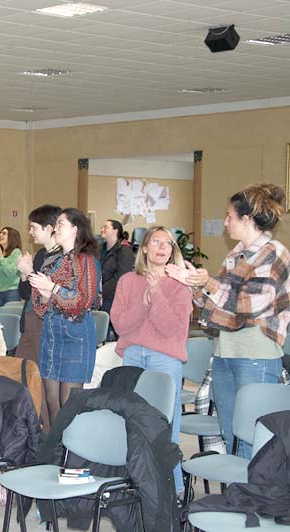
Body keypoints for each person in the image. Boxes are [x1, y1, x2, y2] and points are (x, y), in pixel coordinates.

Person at [167, 183, 290, 458]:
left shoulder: (274, 253)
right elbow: (218, 303)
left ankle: (253, 487)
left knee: (255, 438)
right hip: (225, 353)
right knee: (230, 432)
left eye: (229, 217)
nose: (225, 223)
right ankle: (236, 486)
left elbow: (250, 305)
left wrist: (208, 283)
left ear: (246, 220)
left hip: (256, 355)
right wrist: (194, 285)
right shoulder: (236, 254)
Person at [111, 226, 192, 496]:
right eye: (156, 241)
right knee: (132, 421)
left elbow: (171, 330)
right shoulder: (128, 281)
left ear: (172, 251)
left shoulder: (179, 284)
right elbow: (120, 325)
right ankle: (135, 485)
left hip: (165, 358)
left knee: (166, 425)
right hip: (133, 355)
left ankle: (173, 490)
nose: (162, 247)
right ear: (144, 247)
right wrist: (144, 303)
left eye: (167, 243)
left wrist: (156, 294)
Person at [29, 208, 100, 424]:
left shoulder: (85, 260)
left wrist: (52, 289)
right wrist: (45, 295)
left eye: (61, 224)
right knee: (52, 402)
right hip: (51, 332)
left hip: (74, 335)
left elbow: (83, 301)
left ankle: (70, 446)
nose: (56, 228)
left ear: (75, 229)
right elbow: (40, 307)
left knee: (69, 405)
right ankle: (55, 444)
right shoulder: (53, 261)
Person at [15, 205, 62, 363]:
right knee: (23, 368)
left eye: (34, 227)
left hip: (45, 322)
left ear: (48, 228)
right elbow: (25, 293)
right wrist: (24, 274)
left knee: (41, 369)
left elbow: (48, 293)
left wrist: (29, 272)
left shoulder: (62, 257)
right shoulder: (42, 254)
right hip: (30, 317)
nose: (30, 232)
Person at [100, 219, 135, 339]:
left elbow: (122, 277)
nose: (102, 229)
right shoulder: (100, 249)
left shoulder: (125, 250)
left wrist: (101, 291)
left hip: (115, 298)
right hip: (101, 296)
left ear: (115, 231)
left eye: (106, 227)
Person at [0, 226, 23, 311]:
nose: (0, 235)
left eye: (4, 233)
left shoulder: (16, 252)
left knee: (10, 317)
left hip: (11, 292)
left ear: (12, 237)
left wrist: (0, 257)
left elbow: (11, 273)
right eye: (0, 233)